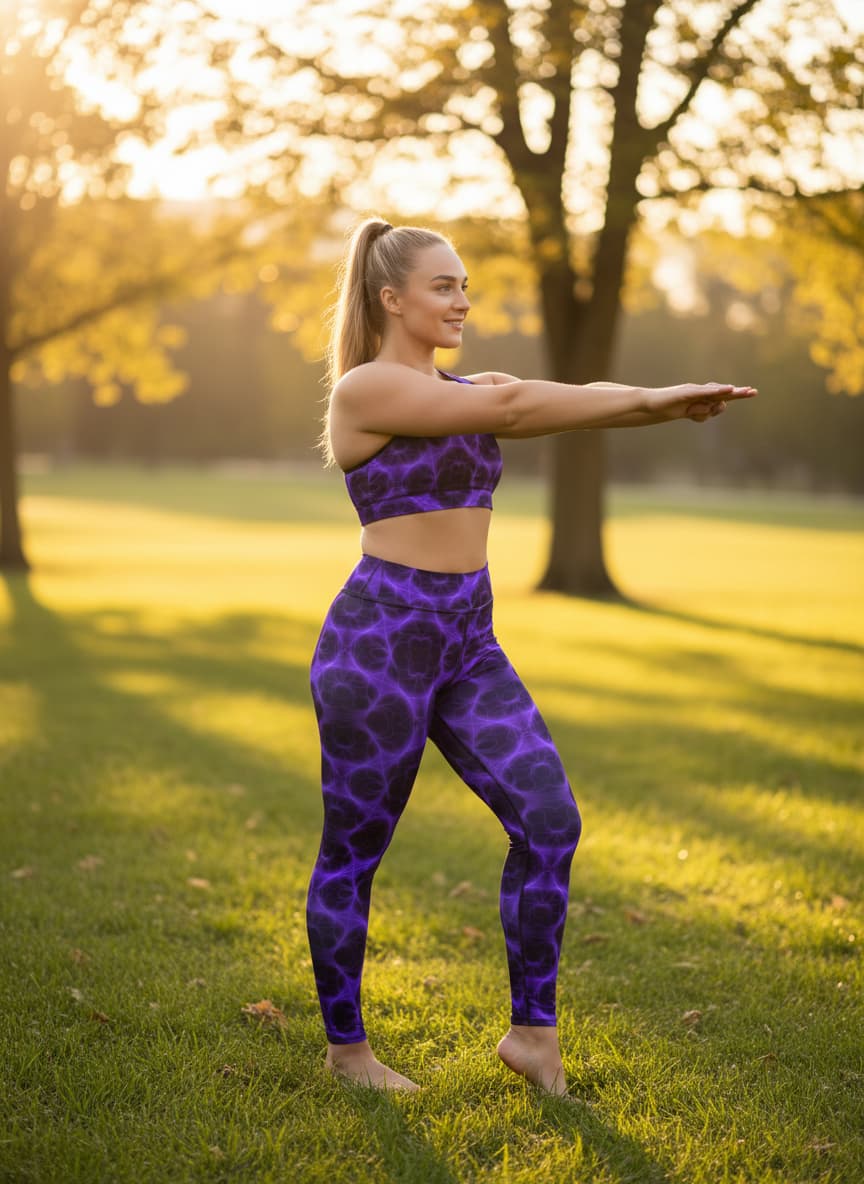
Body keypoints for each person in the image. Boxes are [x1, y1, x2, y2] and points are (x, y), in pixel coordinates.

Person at [305, 216, 757, 1096]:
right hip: (379, 644)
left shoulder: (469, 386)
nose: (463, 300)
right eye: (444, 286)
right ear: (390, 298)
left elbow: (543, 397)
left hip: (468, 642)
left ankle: (534, 1036)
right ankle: (348, 1051)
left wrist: (649, 401)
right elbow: (512, 409)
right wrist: (657, 399)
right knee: (355, 852)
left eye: (466, 284)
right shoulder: (365, 390)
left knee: (550, 819)